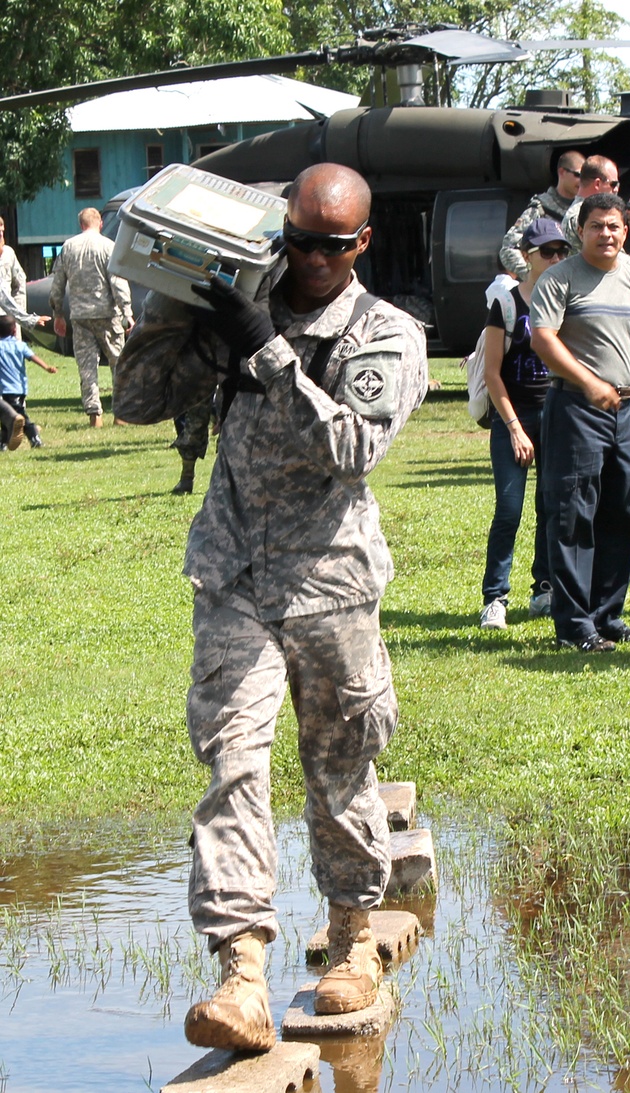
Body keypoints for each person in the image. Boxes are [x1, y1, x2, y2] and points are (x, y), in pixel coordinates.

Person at [114, 163, 428, 1052]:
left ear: (361, 242)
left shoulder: (384, 331)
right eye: (298, 240)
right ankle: (241, 973)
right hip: (235, 579)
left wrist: (269, 350)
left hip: (331, 584)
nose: (312, 259)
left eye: (333, 245)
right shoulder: (244, 303)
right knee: (232, 767)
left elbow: (352, 447)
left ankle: (354, 940)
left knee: (339, 770)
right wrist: (181, 307)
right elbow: (138, 402)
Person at [531, 192, 630, 652]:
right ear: (582, 231)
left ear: (625, 230)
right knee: (575, 516)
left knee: (624, 515)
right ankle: (575, 625)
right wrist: (589, 382)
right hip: (576, 408)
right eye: (597, 226)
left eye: (614, 226)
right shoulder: (560, 279)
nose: (606, 234)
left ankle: (606, 615)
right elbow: (543, 339)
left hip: (627, 412)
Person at [480, 219, 570, 629]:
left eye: (560, 252)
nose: (554, 259)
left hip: (557, 413)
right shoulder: (508, 304)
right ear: (527, 256)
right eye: (546, 252)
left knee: (551, 506)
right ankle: (495, 597)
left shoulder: (567, 300)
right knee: (509, 509)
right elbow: (492, 374)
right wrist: (515, 427)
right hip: (513, 415)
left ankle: (544, 587)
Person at [50, 207, 133, 428]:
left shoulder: (68, 247)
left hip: (80, 316)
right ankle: (120, 414)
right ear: (100, 224)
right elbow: (117, 281)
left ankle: (94, 415)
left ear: (81, 224)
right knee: (118, 363)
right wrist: (127, 312)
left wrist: (58, 313)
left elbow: (57, 284)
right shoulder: (108, 246)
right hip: (107, 314)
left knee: (87, 367)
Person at [498, 150, 583, 280]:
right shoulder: (541, 208)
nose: (581, 181)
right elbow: (509, 249)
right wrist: (533, 275)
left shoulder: (584, 209)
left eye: (585, 177)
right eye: (578, 175)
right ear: (562, 172)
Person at [0, 315, 57, 450]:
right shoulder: (20, 345)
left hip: (6, 388)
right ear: (14, 330)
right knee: (8, 417)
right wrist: (47, 367)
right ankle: (3, 443)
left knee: (18, 417)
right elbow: (33, 357)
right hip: (20, 387)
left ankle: (35, 438)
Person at [561, 155, 620, 254]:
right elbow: (614, 257)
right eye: (613, 184)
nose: (616, 189)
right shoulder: (582, 215)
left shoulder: (580, 212)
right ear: (597, 184)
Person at [0, 216, 27, 338]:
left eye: (2, 229)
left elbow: (19, 283)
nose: (1, 233)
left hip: (8, 318)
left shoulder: (8, 253)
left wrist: (18, 311)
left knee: (13, 353)